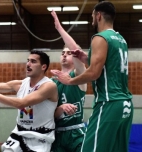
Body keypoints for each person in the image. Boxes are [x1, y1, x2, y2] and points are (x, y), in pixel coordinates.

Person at [51, 1, 133, 152]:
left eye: (92, 16)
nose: (92, 20)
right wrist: (85, 59)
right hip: (125, 104)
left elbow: (94, 73)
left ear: (98, 15)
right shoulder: (121, 39)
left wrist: (70, 81)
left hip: (108, 102)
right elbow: (109, 67)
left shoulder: (100, 37)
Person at [50, 45, 87, 152]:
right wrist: (61, 108)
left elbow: (81, 65)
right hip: (57, 133)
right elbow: (49, 114)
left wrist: (60, 30)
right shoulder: (51, 83)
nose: (64, 55)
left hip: (76, 132)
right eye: (62, 53)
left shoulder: (78, 76)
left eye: (69, 53)